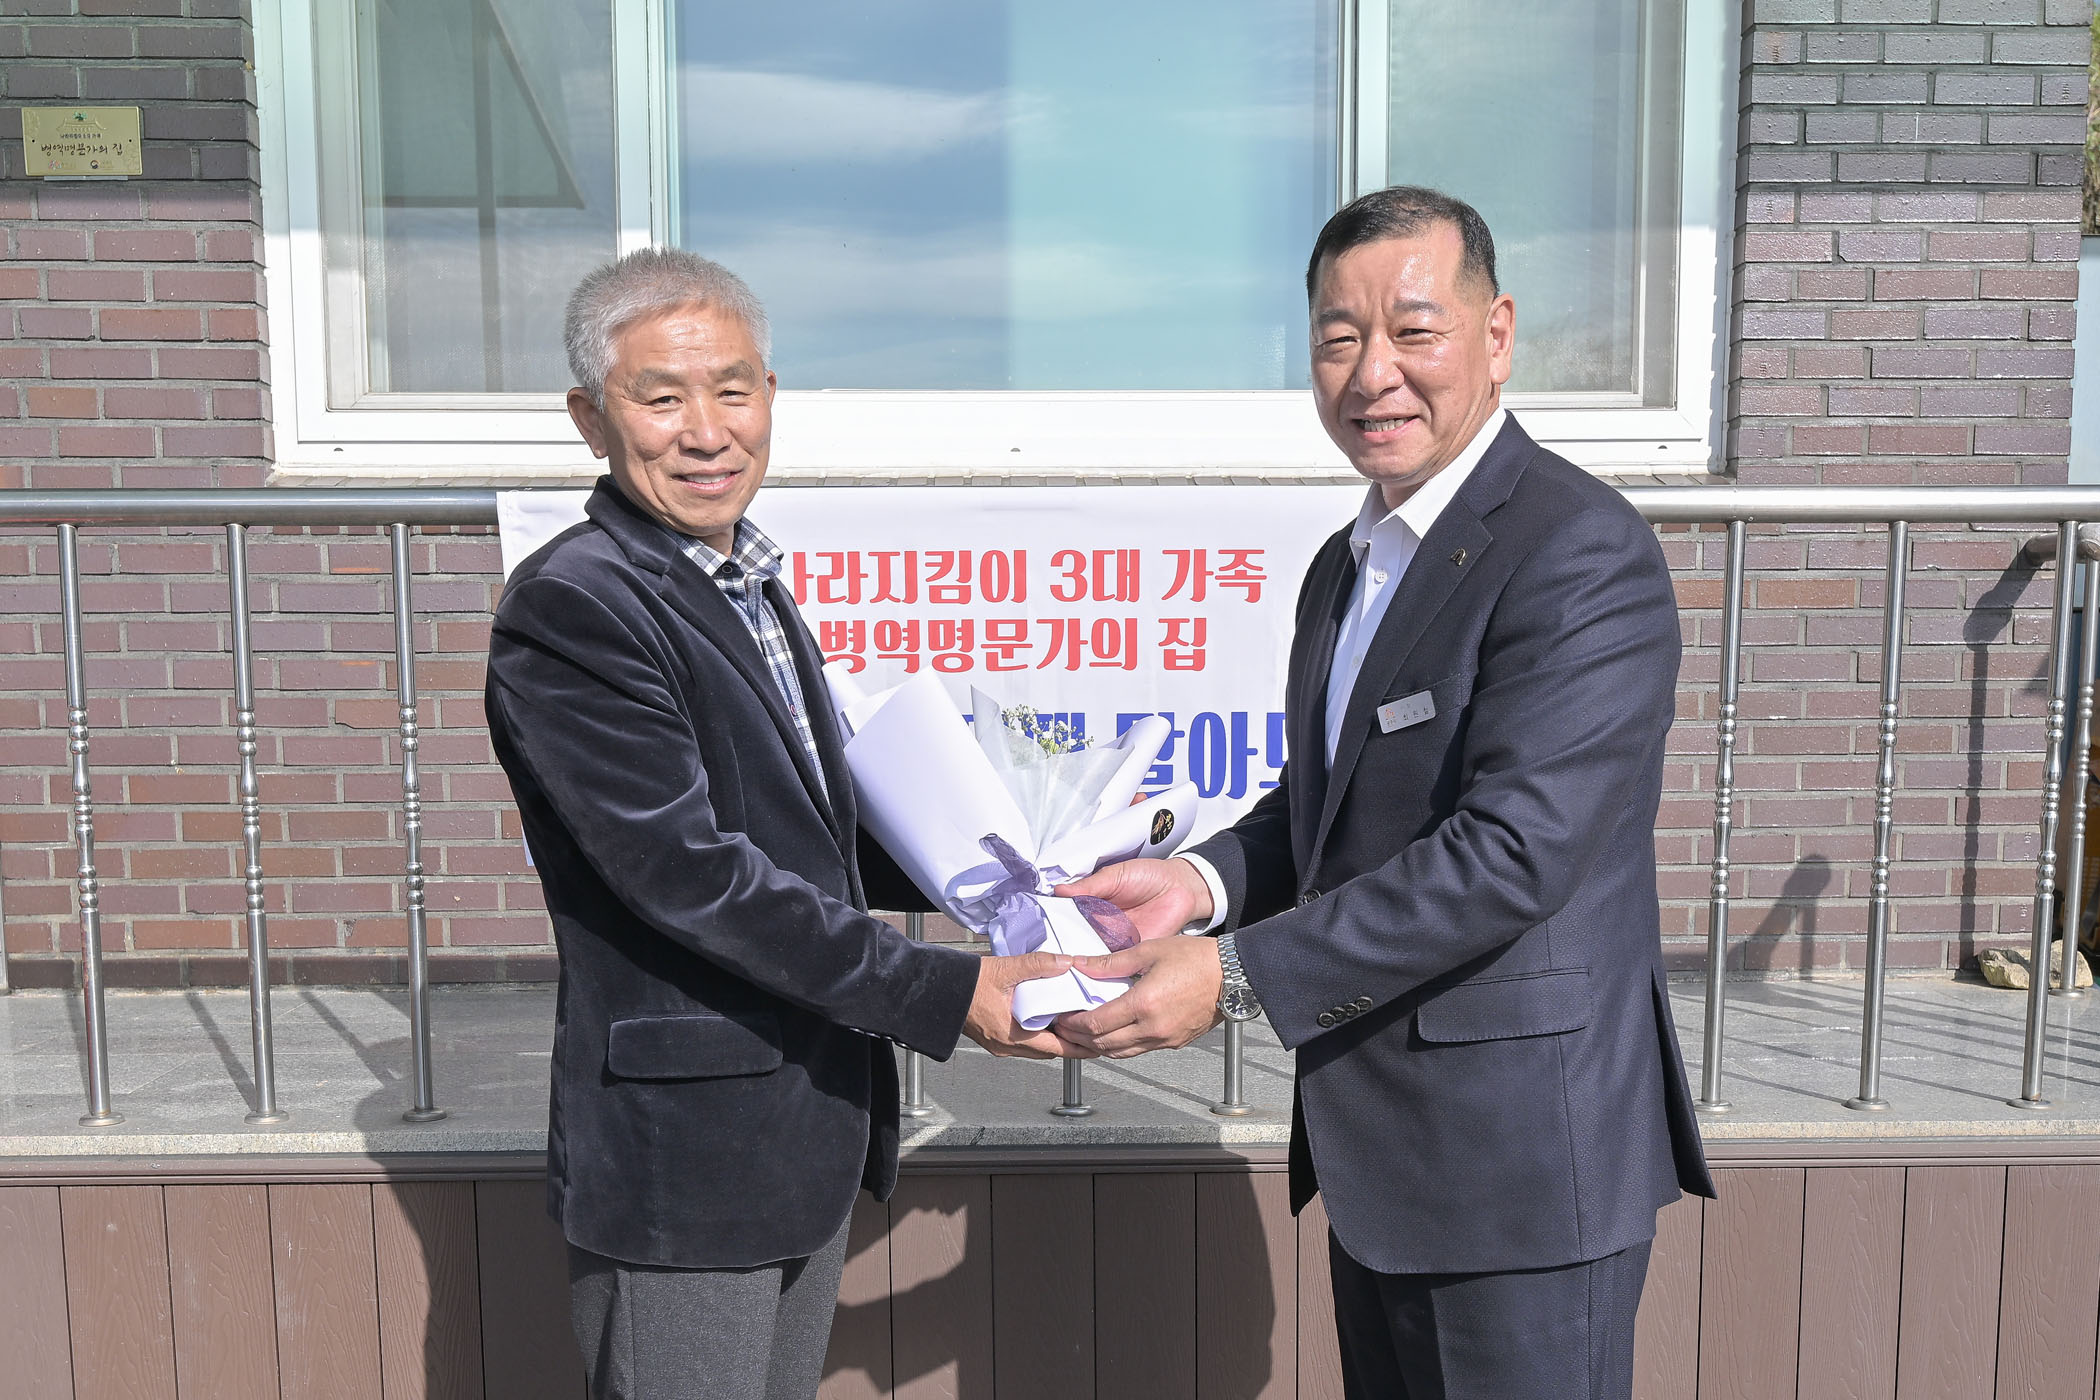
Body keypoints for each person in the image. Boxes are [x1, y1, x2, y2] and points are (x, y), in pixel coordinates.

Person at [1054, 187, 1715, 1398]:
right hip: (1384, 1162)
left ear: (1497, 334)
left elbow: (1512, 851)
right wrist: (1197, 883)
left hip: (1520, 1165)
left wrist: (1237, 974)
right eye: (1338, 337)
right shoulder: (1346, 563)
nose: (1373, 374)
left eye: (1414, 331)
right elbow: (1333, 804)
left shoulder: (1578, 548)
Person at [485, 247, 1071, 1400]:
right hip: (687, 1158)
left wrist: (1007, 871)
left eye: (733, 388)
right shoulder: (576, 605)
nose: (707, 431)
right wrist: (948, 988)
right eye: (661, 397)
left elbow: (804, 830)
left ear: (770, 395)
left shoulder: (742, 580)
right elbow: (691, 872)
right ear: (592, 420)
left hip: (798, 1123)